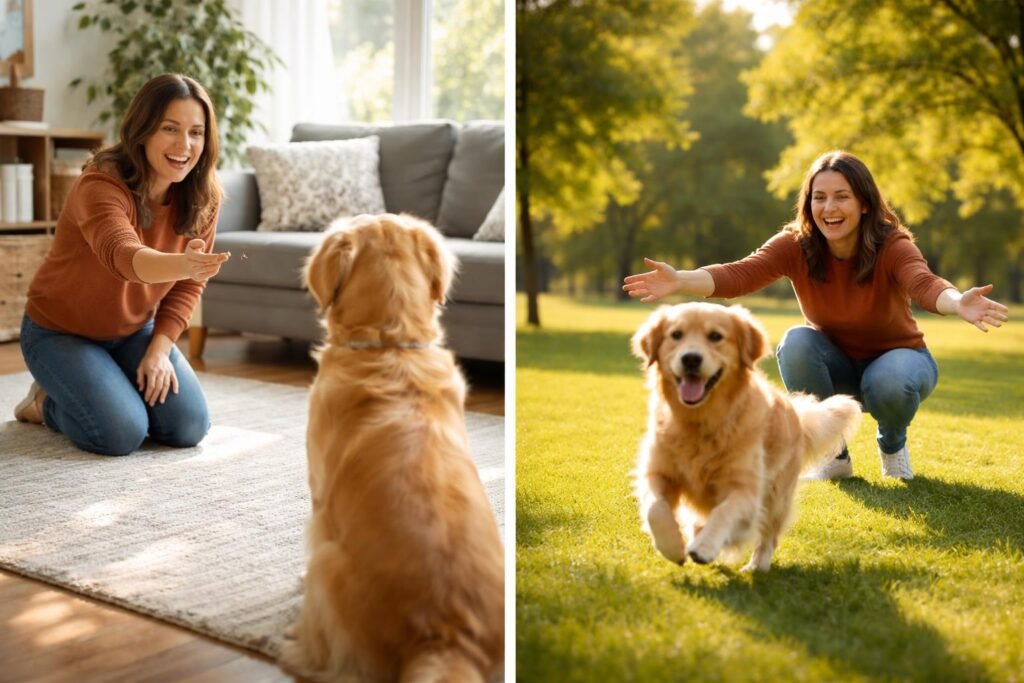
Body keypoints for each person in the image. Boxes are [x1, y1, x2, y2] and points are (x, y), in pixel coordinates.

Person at [622, 150, 1009, 481]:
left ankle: (892, 445)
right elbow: (740, 273)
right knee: (796, 343)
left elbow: (923, 283)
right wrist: (680, 281)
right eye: (819, 197)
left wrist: (957, 302)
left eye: (842, 196)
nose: (829, 208)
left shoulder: (892, 245)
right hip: (833, 364)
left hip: (899, 362)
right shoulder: (797, 243)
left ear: (864, 203)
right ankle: (833, 455)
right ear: (808, 204)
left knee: (889, 381)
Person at [13, 73, 231, 456]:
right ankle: (44, 404)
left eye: (196, 132)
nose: (185, 145)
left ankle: (108, 382)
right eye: (170, 129)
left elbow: (186, 286)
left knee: (188, 427)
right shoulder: (99, 185)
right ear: (142, 130)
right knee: (120, 433)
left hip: (132, 330)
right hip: (59, 333)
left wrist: (159, 350)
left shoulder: (203, 197)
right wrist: (186, 263)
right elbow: (126, 258)